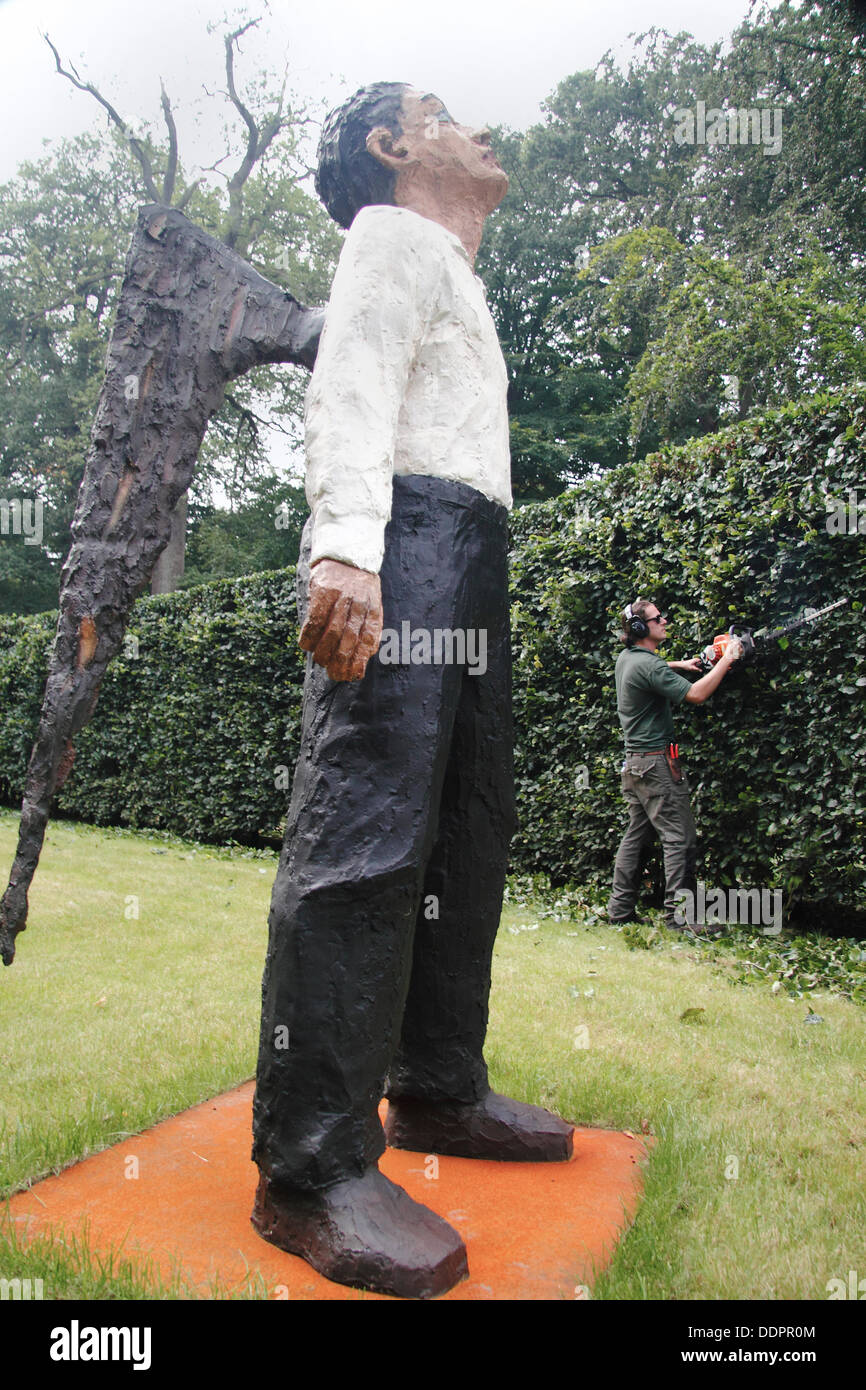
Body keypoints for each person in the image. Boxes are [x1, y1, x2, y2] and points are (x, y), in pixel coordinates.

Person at [250, 83, 574, 1301]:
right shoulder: (386, 239)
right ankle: (307, 1165)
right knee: (366, 837)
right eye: (440, 111)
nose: (474, 126)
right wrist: (345, 546)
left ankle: (437, 1081)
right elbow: (352, 380)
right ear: (392, 149)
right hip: (403, 539)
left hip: (470, 549)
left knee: (463, 832)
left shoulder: (458, 269)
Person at [607, 598, 742, 931]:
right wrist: (728, 660)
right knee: (679, 838)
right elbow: (696, 695)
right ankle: (679, 919)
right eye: (657, 619)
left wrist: (679, 664)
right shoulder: (648, 665)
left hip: (635, 764)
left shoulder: (628, 659)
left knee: (636, 838)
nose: (664, 621)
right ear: (641, 629)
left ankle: (619, 911)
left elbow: (652, 671)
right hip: (656, 766)